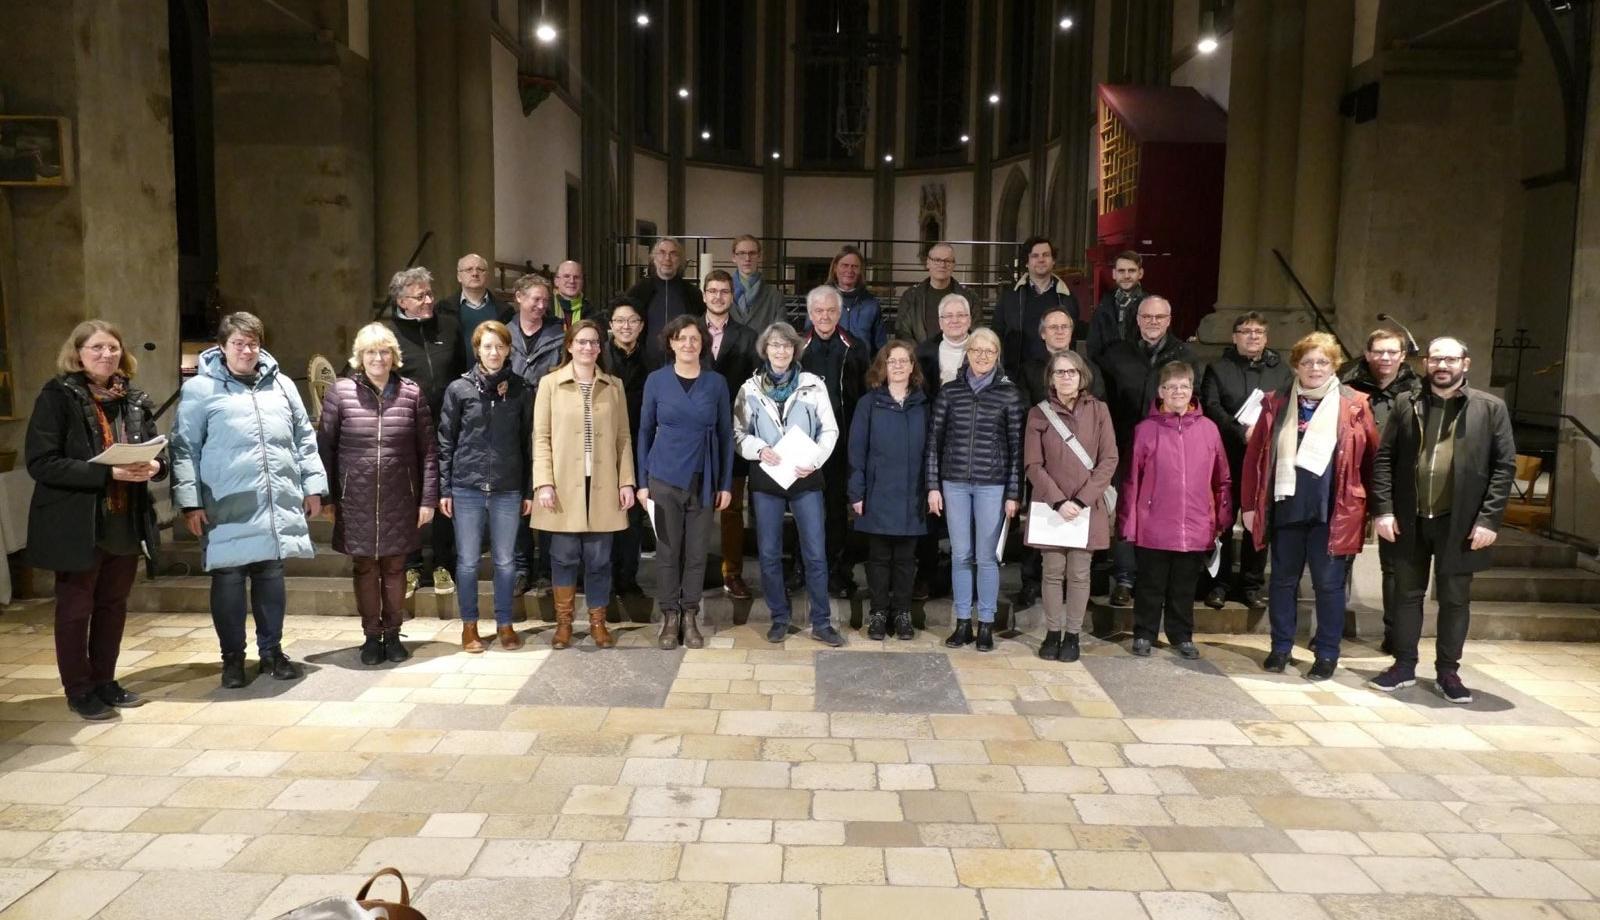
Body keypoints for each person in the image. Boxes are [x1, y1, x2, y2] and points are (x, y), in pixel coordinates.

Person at [172, 312, 327, 688]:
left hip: (274, 501)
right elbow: (184, 448)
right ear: (222, 347)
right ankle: (233, 660)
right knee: (228, 577)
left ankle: (272, 652)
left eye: (253, 343)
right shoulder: (200, 390)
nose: (246, 350)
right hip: (226, 502)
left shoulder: (283, 385)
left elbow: (304, 438)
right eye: (238, 343)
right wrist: (190, 502)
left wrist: (313, 486)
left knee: (271, 575)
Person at [27, 320, 165, 720]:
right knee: (74, 610)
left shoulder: (133, 398)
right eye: (97, 349)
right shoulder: (58, 395)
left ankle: (105, 680)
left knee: (113, 605)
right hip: (78, 522)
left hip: (124, 518)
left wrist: (154, 465)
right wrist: (107, 473)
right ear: (78, 354)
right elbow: (43, 462)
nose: (107, 355)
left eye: (113, 348)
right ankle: (79, 688)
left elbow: (158, 451)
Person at [1368, 336, 1516, 704]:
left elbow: (1503, 468)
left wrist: (1489, 520)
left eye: (1450, 359)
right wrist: (1383, 509)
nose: (1442, 366)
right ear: (1424, 363)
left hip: (1461, 522)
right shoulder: (1407, 402)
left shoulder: (1490, 408)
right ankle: (1403, 666)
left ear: (1465, 363)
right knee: (1406, 596)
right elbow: (1384, 459)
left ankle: (1448, 671)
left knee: (1454, 600)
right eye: (1435, 359)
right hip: (1410, 519)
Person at [1240, 332, 1379, 680]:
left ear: (1334, 365)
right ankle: (1280, 648)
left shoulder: (1355, 405)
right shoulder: (1277, 401)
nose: (1314, 368)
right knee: (1282, 582)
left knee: (1328, 586)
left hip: (1332, 510)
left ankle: (1327, 653)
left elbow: (1371, 460)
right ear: (1296, 366)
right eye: (1307, 362)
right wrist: (1249, 504)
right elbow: (1254, 457)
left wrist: (1373, 507)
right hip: (1286, 505)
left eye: (1322, 361)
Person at [316, 323, 438, 666]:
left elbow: (428, 451)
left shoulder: (412, 393)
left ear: (394, 356)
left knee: (396, 567)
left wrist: (428, 498)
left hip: (401, 497)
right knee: (365, 567)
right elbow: (324, 448)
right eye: (371, 352)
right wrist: (326, 497)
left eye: (384, 351)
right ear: (360, 356)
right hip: (355, 498)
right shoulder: (340, 393)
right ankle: (371, 635)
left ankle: (394, 633)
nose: (378, 358)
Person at [735, 322, 843, 646]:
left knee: (815, 553)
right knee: (768, 553)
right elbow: (738, 433)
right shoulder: (749, 388)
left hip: (806, 476)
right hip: (767, 477)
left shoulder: (813, 385)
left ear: (795, 350)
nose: (780, 351)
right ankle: (779, 618)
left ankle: (821, 622)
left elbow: (830, 430)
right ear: (765, 350)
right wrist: (759, 449)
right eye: (774, 346)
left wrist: (816, 459)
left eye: (786, 346)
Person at [1117, 361, 1231, 659]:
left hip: (1195, 524)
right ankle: (1144, 633)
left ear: (1192, 390)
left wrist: (1221, 517)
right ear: (1161, 392)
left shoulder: (1209, 429)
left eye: (1184, 386)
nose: (1178, 392)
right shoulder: (1146, 430)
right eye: (1171, 387)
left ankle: (1181, 634)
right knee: (1150, 585)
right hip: (1154, 524)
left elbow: (1222, 477)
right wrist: (1128, 524)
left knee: (1184, 587)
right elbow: (1131, 480)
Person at [532, 320, 635, 650]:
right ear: (569, 346)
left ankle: (597, 623)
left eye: (594, 343)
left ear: (600, 348)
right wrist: (543, 482)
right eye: (582, 342)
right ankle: (563, 624)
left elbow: (623, 438)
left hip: (603, 483)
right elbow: (542, 437)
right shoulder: (550, 384)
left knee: (600, 559)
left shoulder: (613, 385)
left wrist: (627, 481)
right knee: (563, 557)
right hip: (562, 484)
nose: (588, 348)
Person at [636, 315, 734, 650]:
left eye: (694, 338)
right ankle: (669, 616)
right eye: (682, 338)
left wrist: (725, 484)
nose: (688, 344)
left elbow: (725, 434)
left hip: (704, 480)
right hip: (662, 478)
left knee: (696, 553)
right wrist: (642, 481)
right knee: (667, 550)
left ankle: (690, 614)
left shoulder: (717, 383)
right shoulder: (656, 381)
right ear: (671, 343)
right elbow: (645, 430)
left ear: (703, 343)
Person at [437, 320, 534, 653]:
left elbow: (528, 442)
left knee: (506, 560)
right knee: (466, 561)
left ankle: (505, 623)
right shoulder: (459, 389)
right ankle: (469, 626)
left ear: (509, 350)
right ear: (477, 349)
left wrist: (529, 489)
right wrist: (445, 488)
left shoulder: (521, 389)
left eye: (500, 346)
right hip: (467, 486)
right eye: (487, 346)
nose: (494, 352)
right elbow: (446, 440)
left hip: (508, 486)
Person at [926, 328, 1024, 652]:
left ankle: (986, 624)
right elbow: (933, 444)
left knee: (986, 557)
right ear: (966, 353)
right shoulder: (950, 392)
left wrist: (1014, 493)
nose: (982, 356)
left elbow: (1016, 448)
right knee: (960, 555)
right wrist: (932, 486)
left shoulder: (1009, 395)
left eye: (989, 351)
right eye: (976, 350)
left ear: (998, 356)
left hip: (992, 485)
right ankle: (963, 622)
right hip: (953, 483)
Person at [1099, 295, 1196, 607]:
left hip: (1169, 447)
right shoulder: (1116, 354)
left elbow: (1191, 403)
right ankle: (1125, 577)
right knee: (1127, 508)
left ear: (1169, 320)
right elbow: (1105, 401)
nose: (1152, 322)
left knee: (1160, 510)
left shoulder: (1185, 355)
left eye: (1159, 317)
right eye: (1146, 317)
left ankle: (1154, 580)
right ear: (1136, 319)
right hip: (1125, 443)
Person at [1023, 350, 1117, 662]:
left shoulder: (1099, 410)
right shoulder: (1038, 413)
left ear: (1082, 376)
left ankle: (1072, 635)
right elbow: (1033, 465)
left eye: (1072, 372)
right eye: (1060, 372)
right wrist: (1059, 500)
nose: (1066, 377)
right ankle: (1052, 633)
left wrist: (1081, 499)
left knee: (1079, 573)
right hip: (1052, 507)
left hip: (1086, 507)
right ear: (1050, 377)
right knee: (1051, 573)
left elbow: (1109, 460)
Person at [1199, 312, 1292, 611]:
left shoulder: (1282, 372)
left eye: (1259, 331)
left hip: (1264, 460)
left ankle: (1251, 585)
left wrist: (1263, 433)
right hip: (1226, 456)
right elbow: (1210, 406)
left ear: (1266, 337)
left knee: (1258, 523)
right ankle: (1218, 584)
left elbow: (1289, 408)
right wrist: (1241, 431)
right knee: (1223, 523)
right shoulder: (1218, 368)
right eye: (1246, 331)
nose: (1252, 336)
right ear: (1234, 336)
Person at [1016, 307, 1104, 609]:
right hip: (1045, 469)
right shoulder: (1029, 368)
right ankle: (1031, 584)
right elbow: (1028, 414)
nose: (1059, 331)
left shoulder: (1090, 370)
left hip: (1083, 480)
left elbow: (1098, 424)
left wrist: (1081, 497)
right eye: (1052, 326)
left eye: (1064, 326)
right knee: (1045, 552)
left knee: (1079, 568)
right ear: (1042, 332)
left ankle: (1077, 601)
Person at [1340, 327, 1422, 651]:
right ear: (1368, 353)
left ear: (1402, 356)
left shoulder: (1417, 390)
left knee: (1394, 564)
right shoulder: (1347, 386)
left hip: (1397, 485)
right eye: (1379, 351)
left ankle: (1394, 635)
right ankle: (1331, 628)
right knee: (1341, 557)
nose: (1385, 358)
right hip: (1353, 480)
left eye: (1392, 352)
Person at [386, 266, 462, 598]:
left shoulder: (449, 326)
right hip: (406, 428)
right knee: (410, 497)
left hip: (447, 425)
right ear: (402, 301)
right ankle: (414, 565)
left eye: (430, 294)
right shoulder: (388, 335)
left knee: (445, 495)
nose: (429, 301)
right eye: (420, 296)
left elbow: (462, 372)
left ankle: (445, 563)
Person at [849, 340, 930, 641]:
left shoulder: (923, 404)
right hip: (878, 493)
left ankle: (903, 612)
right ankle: (879, 613)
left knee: (907, 560)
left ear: (912, 367)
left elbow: (930, 452)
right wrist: (857, 492)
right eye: (891, 361)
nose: (897, 366)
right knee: (879, 558)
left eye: (903, 360)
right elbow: (857, 452)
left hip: (912, 494)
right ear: (882, 367)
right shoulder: (868, 404)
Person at [798, 285, 870, 598]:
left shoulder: (855, 347)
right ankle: (803, 569)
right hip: (803, 444)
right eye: (819, 311)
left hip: (842, 443)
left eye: (831, 311)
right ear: (810, 314)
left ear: (839, 314)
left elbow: (864, 395)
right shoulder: (797, 346)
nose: (824, 316)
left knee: (837, 511)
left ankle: (837, 572)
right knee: (803, 507)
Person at [910, 293, 974, 601]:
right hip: (933, 438)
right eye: (948, 316)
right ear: (939, 321)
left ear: (970, 319)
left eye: (960, 315)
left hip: (974, 441)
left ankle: (968, 576)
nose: (954, 321)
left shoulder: (984, 348)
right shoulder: (924, 352)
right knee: (931, 510)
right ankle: (927, 574)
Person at [701, 270, 760, 599]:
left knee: (733, 508)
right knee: (696, 509)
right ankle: (692, 571)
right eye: (713, 291)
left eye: (725, 291)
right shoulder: (689, 332)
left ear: (732, 296)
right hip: (696, 434)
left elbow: (755, 386)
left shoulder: (748, 336)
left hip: (734, 431)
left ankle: (732, 573)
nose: (718, 296)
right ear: (704, 295)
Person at [508, 274, 566, 595]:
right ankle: (521, 567)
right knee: (518, 496)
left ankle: (545, 568)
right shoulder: (503, 333)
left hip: (548, 422)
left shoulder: (558, 335)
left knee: (546, 492)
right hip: (512, 422)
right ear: (519, 297)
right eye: (535, 299)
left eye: (546, 300)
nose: (541, 306)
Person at [603, 297, 652, 598]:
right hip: (602, 444)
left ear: (641, 326)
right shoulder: (599, 358)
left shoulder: (653, 359)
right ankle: (603, 578)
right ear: (610, 326)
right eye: (620, 321)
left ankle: (627, 577)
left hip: (638, 443)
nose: (626, 326)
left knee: (632, 515)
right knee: (604, 513)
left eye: (632, 321)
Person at [993, 236, 1080, 384]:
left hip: (1056, 377)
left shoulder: (1066, 297)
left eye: (1046, 255)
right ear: (1026, 262)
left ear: (1053, 261)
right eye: (1035, 256)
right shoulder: (1010, 297)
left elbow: (1073, 338)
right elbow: (996, 335)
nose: (1041, 259)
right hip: (1017, 376)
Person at [625, 237, 706, 365]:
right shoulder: (637, 292)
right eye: (662, 253)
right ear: (654, 258)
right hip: (645, 367)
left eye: (673, 254)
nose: (667, 258)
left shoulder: (693, 294)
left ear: (680, 260)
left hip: (684, 364)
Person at [896, 242, 977, 345]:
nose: (942, 265)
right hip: (920, 357)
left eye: (947, 260)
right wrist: (920, 354)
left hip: (959, 356)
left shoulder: (969, 297)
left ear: (953, 265)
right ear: (928, 263)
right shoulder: (910, 296)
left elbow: (976, 332)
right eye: (937, 260)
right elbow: (902, 332)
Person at [816, 245, 886, 354]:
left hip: (863, 368)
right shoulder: (820, 300)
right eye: (845, 265)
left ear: (860, 270)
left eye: (854, 266)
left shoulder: (871, 304)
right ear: (835, 268)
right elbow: (809, 339)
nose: (849, 270)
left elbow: (881, 346)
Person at [437, 253, 512, 352]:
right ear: (459, 276)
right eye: (469, 269)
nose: (475, 273)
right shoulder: (443, 308)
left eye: (480, 269)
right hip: (457, 367)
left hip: (496, 367)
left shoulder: (505, 310)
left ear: (487, 275)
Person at [1086, 250, 1146, 361]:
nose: (1126, 276)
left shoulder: (1152, 306)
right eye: (1121, 271)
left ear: (1140, 273)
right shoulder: (1102, 307)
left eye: (1131, 271)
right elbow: (1093, 348)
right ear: (1114, 274)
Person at [729, 235, 787, 332]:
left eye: (752, 253)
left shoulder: (774, 296)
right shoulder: (723, 292)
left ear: (759, 256)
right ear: (734, 257)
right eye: (742, 253)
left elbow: (780, 333)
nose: (747, 258)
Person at [552, 260, 588, 329]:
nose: (572, 281)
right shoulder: (544, 307)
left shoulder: (591, 311)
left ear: (582, 282)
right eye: (567, 276)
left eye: (576, 277)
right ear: (556, 281)